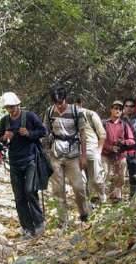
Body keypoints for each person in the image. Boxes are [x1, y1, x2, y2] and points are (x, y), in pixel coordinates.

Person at [0, 92, 47, 239]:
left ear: (18, 105)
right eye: (8, 108)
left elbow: (43, 131)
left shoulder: (30, 116)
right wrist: (4, 138)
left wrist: (29, 133)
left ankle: (39, 223)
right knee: (19, 196)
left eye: (12, 107)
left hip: (30, 159)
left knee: (30, 190)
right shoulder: (4, 121)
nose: (11, 110)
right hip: (14, 161)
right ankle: (27, 227)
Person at [44, 85, 90, 227]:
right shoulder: (50, 112)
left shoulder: (76, 112)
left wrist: (83, 155)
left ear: (65, 99)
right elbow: (45, 131)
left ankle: (84, 213)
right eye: (56, 103)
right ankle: (63, 220)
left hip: (73, 154)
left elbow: (82, 134)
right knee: (58, 189)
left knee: (78, 187)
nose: (59, 105)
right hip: (56, 154)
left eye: (61, 102)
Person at [74, 98, 107, 204]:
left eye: (74, 105)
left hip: (92, 150)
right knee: (81, 182)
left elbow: (102, 134)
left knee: (96, 180)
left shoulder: (90, 114)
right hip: (76, 152)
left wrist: (99, 150)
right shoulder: (67, 118)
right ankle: (88, 205)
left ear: (79, 103)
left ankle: (103, 199)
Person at [102, 100, 135, 202]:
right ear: (111, 109)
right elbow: (99, 139)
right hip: (106, 154)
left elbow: (132, 140)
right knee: (104, 175)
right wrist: (110, 147)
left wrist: (123, 142)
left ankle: (117, 197)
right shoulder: (104, 123)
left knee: (120, 177)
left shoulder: (124, 125)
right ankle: (101, 198)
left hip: (120, 155)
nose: (118, 111)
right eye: (115, 108)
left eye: (120, 109)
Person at [121, 97, 136, 199]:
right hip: (121, 152)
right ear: (123, 108)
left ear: (135, 107)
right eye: (126, 106)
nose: (129, 108)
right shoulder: (119, 120)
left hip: (135, 151)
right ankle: (117, 198)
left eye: (131, 106)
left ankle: (134, 197)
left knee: (135, 175)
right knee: (119, 176)